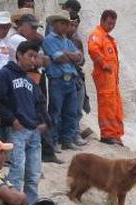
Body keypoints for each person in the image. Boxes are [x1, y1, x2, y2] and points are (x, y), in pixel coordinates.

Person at [0, 40, 48, 205]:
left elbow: (39, 103)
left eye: (35, 57)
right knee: (17, 170)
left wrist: (43, 121)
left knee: (33, 173)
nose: (33, 60)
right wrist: (12, 120)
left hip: (33, 131)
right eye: (30, 56)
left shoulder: (29, 79)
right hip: (17, 130)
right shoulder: (4, 74)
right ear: (19, 55)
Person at [42, 10, 83, 151]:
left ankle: (67, 140)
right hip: (57, 80)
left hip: (69, 80)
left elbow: (80, 58)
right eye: (62, 23)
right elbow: (60, 58)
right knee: (55, 112)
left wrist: (68, 55)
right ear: (54, 24)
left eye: (66, 23)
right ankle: (53, 142)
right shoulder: (48, 40)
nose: (65, 26)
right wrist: (72, 56)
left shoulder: (67, 41)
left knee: (71, 112)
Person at [88, 10, 124, 146]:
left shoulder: (107, 38)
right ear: (102, 21)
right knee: (107, 106)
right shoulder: (97, 35)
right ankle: (107, 135)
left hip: (112, 80)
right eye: (109, 23)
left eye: (113, 24)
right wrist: (104, 64)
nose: (111, 26)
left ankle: (115, 134)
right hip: (104, 79)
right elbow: (93, 50)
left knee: (115, 107)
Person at [67, 12, 89, 146]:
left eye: (75, 26)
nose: (73, 28)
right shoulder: (60, 40)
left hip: (77, 76)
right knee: (67, 109)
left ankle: (75, 133)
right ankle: (69, 135)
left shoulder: (77, 40)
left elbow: (82, 60)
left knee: (77, 109)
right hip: (66, 77)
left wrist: (76, 58)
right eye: (71, 25)